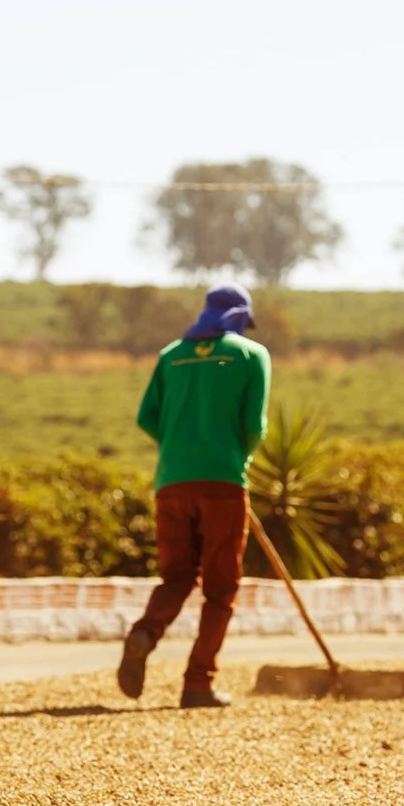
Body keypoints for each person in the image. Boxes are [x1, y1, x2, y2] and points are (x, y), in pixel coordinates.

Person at [116, 284, 271, 709]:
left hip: (171, 482)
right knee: (221, 587)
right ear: (240, 317)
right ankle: (198, 683)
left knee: (177, 577)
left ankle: (145, 633)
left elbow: (147, 417)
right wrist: (233, 460)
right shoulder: (250, 355)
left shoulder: (171, 355)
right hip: (223, 481)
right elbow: (255, 427)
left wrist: (181, 448)